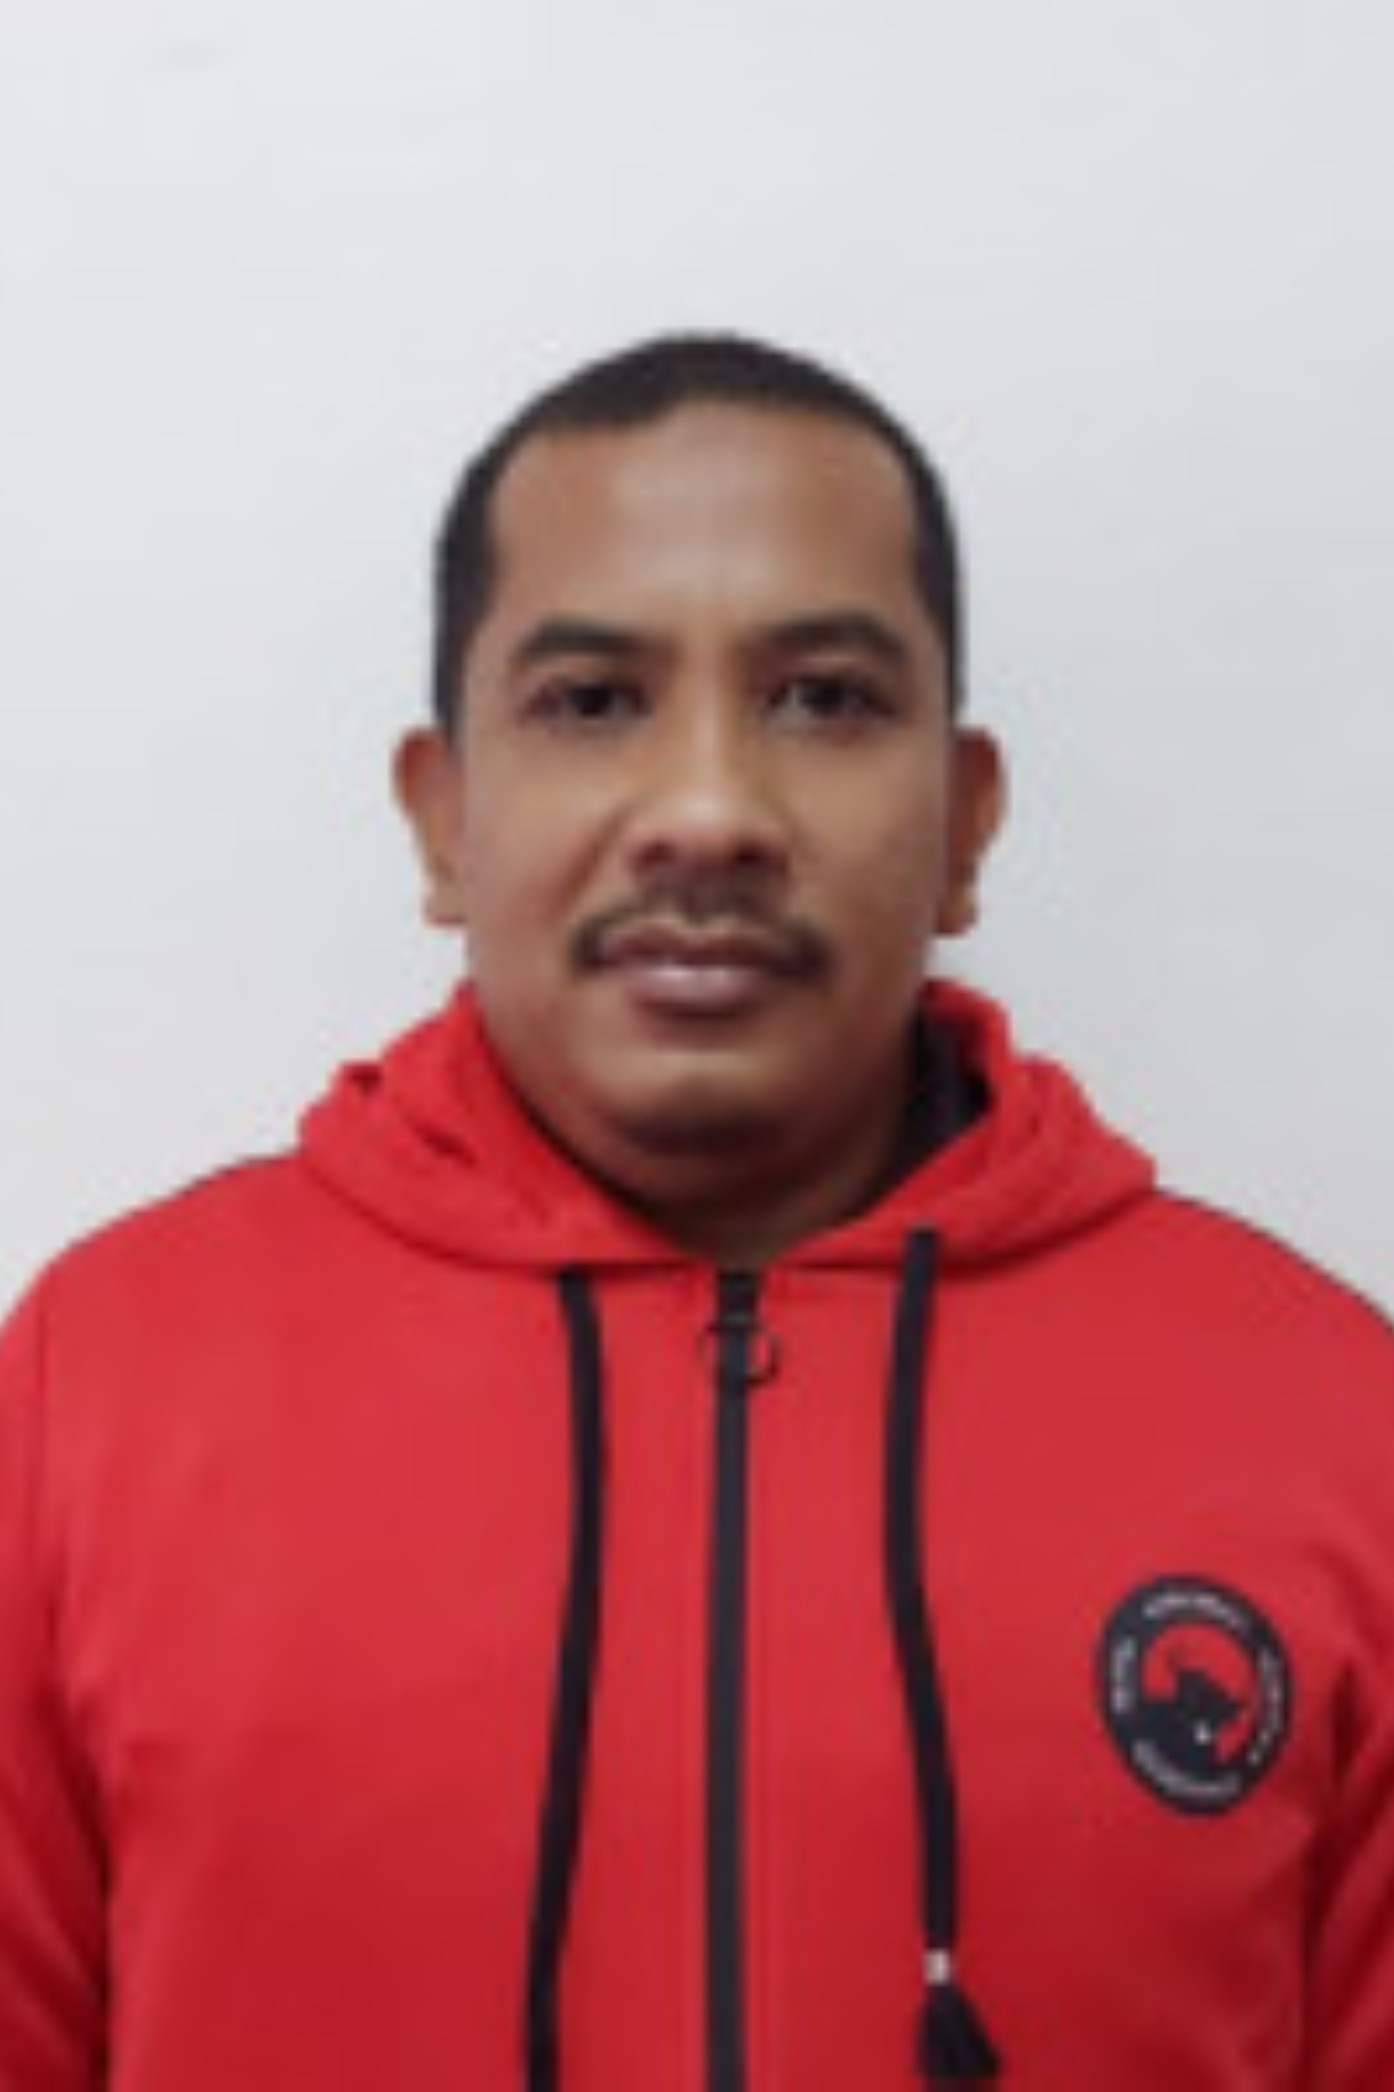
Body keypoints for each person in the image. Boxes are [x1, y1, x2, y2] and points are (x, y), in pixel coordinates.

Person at [1, 334, 1391, 2092]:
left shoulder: (1324, 1416)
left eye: (824, 698)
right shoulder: (99, 1389)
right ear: (441, 820)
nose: (712, 812)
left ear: (965, 823)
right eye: (593, 702)